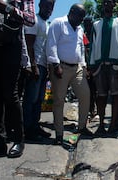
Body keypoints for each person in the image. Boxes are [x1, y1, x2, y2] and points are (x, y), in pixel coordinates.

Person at [0, 0, 35, 158]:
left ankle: (19, 140)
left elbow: (30, 20)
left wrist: (7, 7)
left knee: (11, 94)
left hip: (11, 47)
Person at [46, 3, 92, 144]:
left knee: (85, 95)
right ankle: (59, 135)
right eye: (80, 16)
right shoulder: (58, 23)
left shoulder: (79, 29)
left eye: (83, 18)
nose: (81, 20)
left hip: (77, 68)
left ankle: (82, 126)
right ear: (72, 12)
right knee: (59, 101)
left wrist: (83, 66)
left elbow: (81, 49)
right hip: (61, 68)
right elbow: (51, 44)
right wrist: (55, 64)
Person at [88, 0, 118, 134]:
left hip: (115, 65)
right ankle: (100, 124)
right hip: (100, 65)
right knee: (101, 95)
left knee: (116, 94)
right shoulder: (96, 24)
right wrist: (91, 64)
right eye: (105, 2)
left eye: (110, 2)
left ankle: (112, 124)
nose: (107, 5)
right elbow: (92, 45)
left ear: (113, 5)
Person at [22, 0, 55, 141]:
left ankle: (35, 126)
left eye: (51, 7)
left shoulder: (46, 24)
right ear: (40, 5)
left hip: (43, 66)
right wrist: (33, 65)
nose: (49, 9)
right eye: (47, 5)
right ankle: (27, 129)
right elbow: (29, 44)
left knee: (39, 99)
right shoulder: (34, 20)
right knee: (31, 98)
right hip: (35, 65)